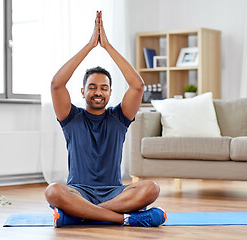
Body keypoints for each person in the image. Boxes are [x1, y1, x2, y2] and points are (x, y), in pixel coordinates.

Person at [45, 11, 166, 227]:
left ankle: (78, 216)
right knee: (53, 190)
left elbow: (138, 86)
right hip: (78, 191)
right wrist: (91, 45)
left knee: (152, 188)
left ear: (110, 93)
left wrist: (107, 46)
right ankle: (126, 219)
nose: (98, 92)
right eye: (92, 87)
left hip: (115, 193)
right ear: (83, 92)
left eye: (104, 88)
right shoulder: (70, 117)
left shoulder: (119, 118)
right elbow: (57, 84)